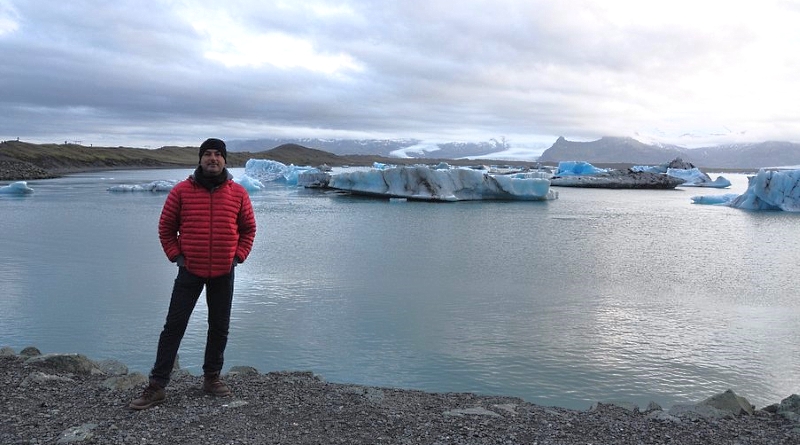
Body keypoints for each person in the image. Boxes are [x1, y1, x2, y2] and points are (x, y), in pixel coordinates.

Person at [130, 138, 257, 410]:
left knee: (219, 326)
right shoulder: (181, 191)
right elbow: (166, 228)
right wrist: (177, 256)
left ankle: (211, 378)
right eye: (208, 154)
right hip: (190, 270)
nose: (213, 159)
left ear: (225, 160)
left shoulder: (238, 193)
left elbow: (248, 229)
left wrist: (238, 256)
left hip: (224, 271)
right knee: (174, 326)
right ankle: (157, 385)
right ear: (200, 159)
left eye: (218, 155)